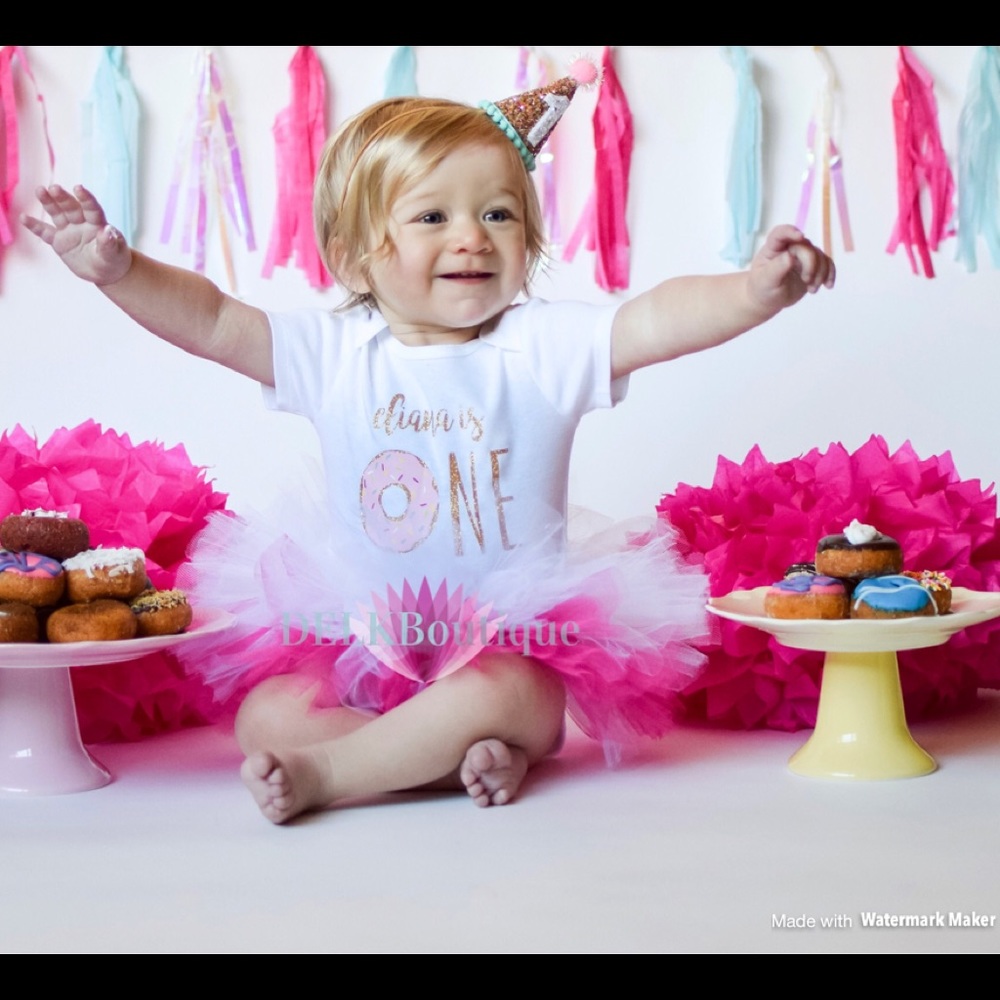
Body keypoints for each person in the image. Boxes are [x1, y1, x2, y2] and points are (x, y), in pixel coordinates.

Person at [23, 84, 834, 825]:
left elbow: (658, 319)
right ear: (355, 255)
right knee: (264, 714)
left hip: (509, 639)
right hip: (362, 632)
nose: (472, 239)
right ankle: (446, 762)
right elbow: (212, 320)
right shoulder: (336, 352)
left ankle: (336, 773)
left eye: (499, 215)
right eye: (432, 217)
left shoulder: (544, 347)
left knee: (515, 694)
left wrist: (753, 291)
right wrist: (118, 271)